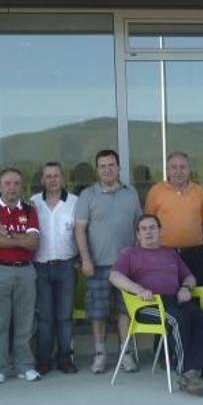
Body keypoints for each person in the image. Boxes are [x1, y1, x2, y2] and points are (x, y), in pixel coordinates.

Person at [109, 214, 203, 397]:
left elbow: (190, 277)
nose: (148, 232)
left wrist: (185, 287)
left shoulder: (170, 253)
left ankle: (195, 369)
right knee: (178, 320)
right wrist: (138, 289)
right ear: (138, 234)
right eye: (144, 229)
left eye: (152, 228)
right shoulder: (130, 254)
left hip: (175, 300)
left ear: (160, 231)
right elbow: (114, 277)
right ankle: (185, 373)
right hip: (147, 305)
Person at [75, 149, 143, 374]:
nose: (107, 169)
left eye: (111, 165)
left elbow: (138, 227)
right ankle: (100, 354)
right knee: (98, 312)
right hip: (98, 265)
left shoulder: (130, 193)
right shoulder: (88, 195)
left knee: (125, 311)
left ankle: (126, 354)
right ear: (97, 170)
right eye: (102, 166)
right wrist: (85, 259)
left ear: (119, 167)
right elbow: (80, 229)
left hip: (126, 266)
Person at [0, 168, 41, 384]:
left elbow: (34, 243)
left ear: (21, 186)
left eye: (16, 183)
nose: (12, 187)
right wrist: (20, 239)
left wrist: (8, 235)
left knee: (26, 321)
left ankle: (25, 366)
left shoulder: (30, 210)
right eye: (7, 183)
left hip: (26, 270)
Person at [31, 162, 80, 376]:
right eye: (48, 176)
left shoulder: (75, 202)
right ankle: (44, 360)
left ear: (63, 178)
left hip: (66, 266)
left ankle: (65, 359)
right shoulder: (33, 203)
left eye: (56, 176)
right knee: (44, 318)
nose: (52, 180)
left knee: (64, 317)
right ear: (42, 179)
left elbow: (81, 233)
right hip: (40, 266)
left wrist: (81, 257)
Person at [145, 152, 203, 284]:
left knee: (197, 292)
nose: (178, 171)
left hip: (195, 253)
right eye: (174, 167)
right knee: (168, 291)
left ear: (189, 170)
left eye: (183, 167)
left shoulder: (199, 191)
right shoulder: (156, 191)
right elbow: (148, 224)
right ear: (167, 171)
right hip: (164, 253)